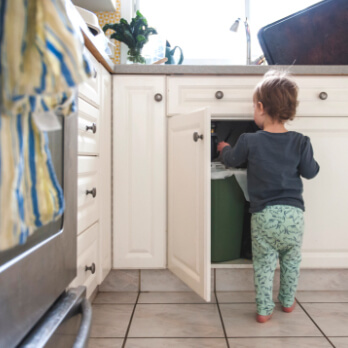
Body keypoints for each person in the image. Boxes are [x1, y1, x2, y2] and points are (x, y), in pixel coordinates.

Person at [217, 70, 319, 323]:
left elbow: (231, 161)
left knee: (263, 265)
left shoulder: (249, 140)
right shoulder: (300, 142)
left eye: (254, 106)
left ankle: (264, 310)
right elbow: (311, 171)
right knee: (291, 261)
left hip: (263, 215)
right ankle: (287, 302)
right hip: (294, 216)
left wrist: (224, 148)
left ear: (261, 107)